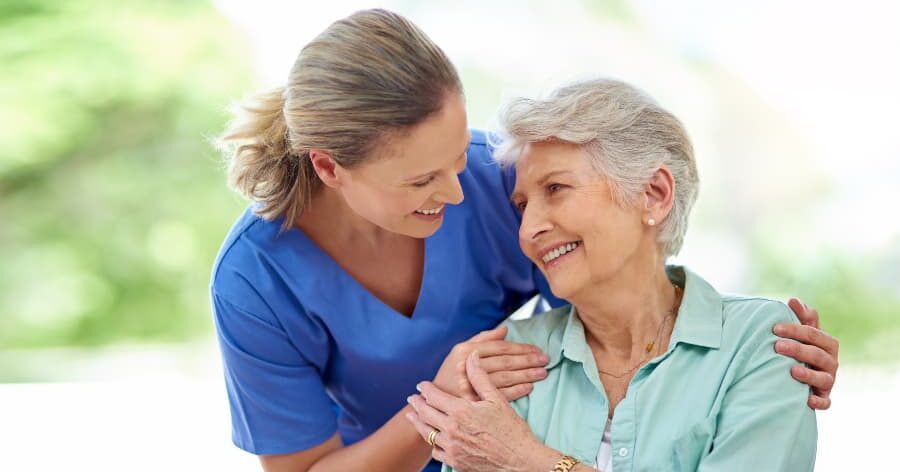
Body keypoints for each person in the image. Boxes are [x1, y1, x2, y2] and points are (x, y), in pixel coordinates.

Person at [211, 9, 837, 472]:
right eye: (423, 179)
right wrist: (444, 406)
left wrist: (750, 348)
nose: (459, 193)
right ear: (329, 168)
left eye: (459, 156)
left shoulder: (500, 182)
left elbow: (624, 283)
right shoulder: (255, 279)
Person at [406, 79, 819, 471]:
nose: (528, 230)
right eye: (522, 205)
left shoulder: (760, 342)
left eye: (556, 188)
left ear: (654, 193)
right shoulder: (508, 360)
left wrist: (528, 460)